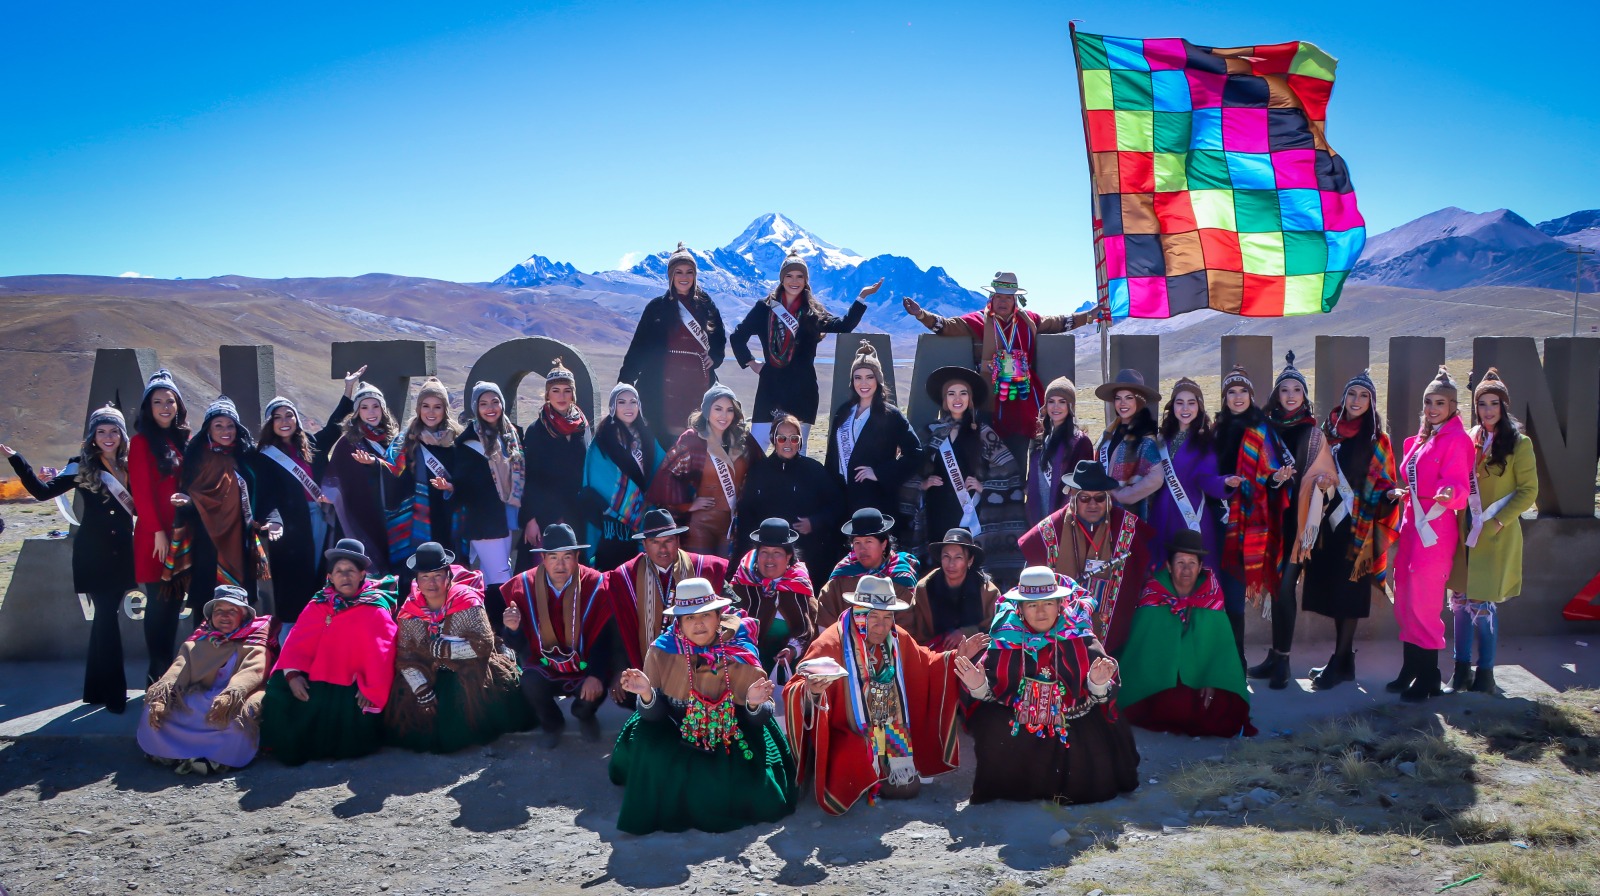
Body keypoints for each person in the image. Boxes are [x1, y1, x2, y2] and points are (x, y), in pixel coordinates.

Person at [782, 575, 987, 814]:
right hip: (849, 731)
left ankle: (878, 773)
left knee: (907, 788)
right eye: (874, 617)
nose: (882, 626)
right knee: (851, 764)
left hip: (889, 730)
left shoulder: (897, 637)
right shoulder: (830, 643)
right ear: (859, 614)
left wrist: (954, 657)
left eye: (887, 617)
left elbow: (926, 663)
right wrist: (812, 692)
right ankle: (860, 776)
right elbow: (795, 687)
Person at [609, 578, 796, 834]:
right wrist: (647, 695)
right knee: (652, 756)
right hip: (676, 726)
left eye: (705, 615)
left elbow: (760, 718)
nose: (698, 624)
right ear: (679, 622)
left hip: (732, 729)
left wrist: (753, 704)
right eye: (689, 618)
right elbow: (655, 715)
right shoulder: (662, 652)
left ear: (718, 617)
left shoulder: (740, 650)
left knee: (748, 788)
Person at [957, 566, 1139, 804]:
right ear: (1020, 609)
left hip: (1071, 718)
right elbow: (991, 695)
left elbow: (1103, 696)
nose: (1041, 612)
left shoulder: (1080, 637)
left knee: (1091, 763)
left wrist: (1097, 684)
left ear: (1060, 605)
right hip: (1020, 720)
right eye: (1032, 605)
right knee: (993, 727)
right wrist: (978, 686)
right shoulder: (1005, 640)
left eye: (1048, 603)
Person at [2, 406, 137, 712]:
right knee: (107, 618)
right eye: (101, 431)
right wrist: (18, 460)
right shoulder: (79, 466)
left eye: (113, 431)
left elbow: (139, 507)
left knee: (105, 618)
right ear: (92, 436)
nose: (108, 437)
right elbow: (42, 492)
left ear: (122, 435)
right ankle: (115, 694)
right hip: (93, 553)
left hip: (122, 552)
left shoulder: (129, 466)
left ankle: (94, 691)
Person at [902, 272, 1101, 451]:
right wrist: (921, 315)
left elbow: (1059, 322)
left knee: (1019, 451)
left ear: (1015, 299)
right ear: (992, 298)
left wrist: (1088, 316)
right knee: (986, 454)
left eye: (1008, 297)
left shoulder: (1029, 320)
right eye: (998, 296)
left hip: (1022, 400)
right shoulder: (978, 320)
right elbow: (947, 326)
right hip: (989, 400)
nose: (1002, 302)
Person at [1301, 370, 1400, 690]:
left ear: (1372, 402)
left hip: (1359, 530)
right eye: (1352, 394)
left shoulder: (1378, 440)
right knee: (1333, 593)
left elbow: (1385, 480)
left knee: (1349, 595)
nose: (1357, 401)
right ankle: (1345, 662)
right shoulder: (1327, 434)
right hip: (1327, 527)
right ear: (1344, 398)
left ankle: (1339, 660)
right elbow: (1311, 471)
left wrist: (1387, 494)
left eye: (1364, 396)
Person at [259, 539, 399, 765]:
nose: (345, 576)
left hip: (354, 683)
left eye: (351, 570)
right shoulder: (319, 604)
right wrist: (292, 675)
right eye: (339, 571)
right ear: (330, 577)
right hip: (319, 675)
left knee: (350, 736)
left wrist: (371, 688)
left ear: (362, 575)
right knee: (278, 691)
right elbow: (297, 642)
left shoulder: (375, 608)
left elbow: (383, 653)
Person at [385, 542, 530, 753]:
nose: (431, 582)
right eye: (425, 576)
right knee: (412, 709)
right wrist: (421, 689)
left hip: (469, 669)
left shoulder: (467, 601)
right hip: (429, 672)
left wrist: (444, 650)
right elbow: (406, 656)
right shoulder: (410, 610)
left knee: (463, 718)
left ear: (448, 576)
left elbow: (483, 645)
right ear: (417, 580)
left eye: (437, 575)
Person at [1246, 352, 1337, 690]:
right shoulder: (1264, 429)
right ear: (1276, 395)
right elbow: (1255, 470)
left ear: (1304, 395)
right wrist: (1273, 479)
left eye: (1296, 390)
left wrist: (1324, 482)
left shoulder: (1313, 434)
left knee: (1285, 588)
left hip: (1297, 524)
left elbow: (1328, 475)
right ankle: (1274, 656)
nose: (1290, 395)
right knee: (1273, 587)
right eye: (1284, 390)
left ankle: (1283, 660)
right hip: (1267, 519)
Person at [1446, 369, 1538, 695]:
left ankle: (1485, 674)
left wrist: (1499, 522)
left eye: (1494, 403)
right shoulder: (1470, 438)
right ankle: (1460, 671)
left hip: (1494, 534)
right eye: (1482, 404)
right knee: (1459, 601)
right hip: (1465, 532)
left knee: (1483, 604)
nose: (1487, 410)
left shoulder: (1520, 444)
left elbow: (1528, 491)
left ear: (1504, 405)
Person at [1388, 366, 1474, 702]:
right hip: (1412, 525)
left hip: (1435, 529)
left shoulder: (1457, 440)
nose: (1433, 408)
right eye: (1428, 402)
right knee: (1405, 600)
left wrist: (1447, 493)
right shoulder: (1424, 437)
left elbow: (1458, 485)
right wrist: (1405, 493)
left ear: (1453, 406)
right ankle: (1411, 668)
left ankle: (1429, 677)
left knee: (1424, 603)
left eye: (1440, 402)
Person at [732, 249, 877, 447]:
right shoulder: (764, 308)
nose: (794, 281)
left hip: (803, 391)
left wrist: (862, 297)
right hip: (770, 387)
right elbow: (737, 337)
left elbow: (844, 325)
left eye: (800, 276)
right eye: (789, 276)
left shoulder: (812, 312)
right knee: (757, 447)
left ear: (806, 280)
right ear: (782, 279)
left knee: (796, 449)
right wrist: (752, 363)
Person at [1118, 531, 1255, 737]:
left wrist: (1212, 679)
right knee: (1171, 707)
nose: (1186, 569)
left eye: (1192, 563)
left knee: (1225, 711)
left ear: (1200, 567)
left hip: (1201, 674)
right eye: (1180, 562)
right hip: (1160, 675)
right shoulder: (1154, 593)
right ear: (1169, 566)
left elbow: (1220, 647)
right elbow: (1143, 646)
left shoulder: (1211, 595)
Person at [1018, 460, 1153, 655]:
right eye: (1084, 498)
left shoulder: (1128, 529)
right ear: (1073, 497)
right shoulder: (1048, 532)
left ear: (1108, 499)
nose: (1092, 504)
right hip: (1057, 643)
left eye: (1099, 498)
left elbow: (1146, 578)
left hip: (1113, 638)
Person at [252, 386, 353, 645]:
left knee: (319, 575)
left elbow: (335, 426)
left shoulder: (311, 444)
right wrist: (273, 520)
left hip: (320, 519)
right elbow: (265, 495)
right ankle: (290, 643)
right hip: (290, 527)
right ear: (270, 423)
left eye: (289, 415)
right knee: (293, 581)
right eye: (277, 417)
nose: (284, 421)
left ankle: (320, 633)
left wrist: (348, 391)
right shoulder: (264, 457)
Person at [138, 585, 274, 774]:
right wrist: (162, 697)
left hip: (233, 698)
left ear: (243, 616)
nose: (224, 616)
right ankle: (169, 752)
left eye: (232, 611)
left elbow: (253, 672)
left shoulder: (255, 643)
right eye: (219, 611)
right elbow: (177, 670)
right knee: (156, 711)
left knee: (238, 719)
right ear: (211, 616)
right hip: (199, 696)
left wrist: (230, 696)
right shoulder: (196, 642)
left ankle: (219, 759)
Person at [501, 524, 613, 747]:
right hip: (544, 664)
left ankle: (584, 714)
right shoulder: (523, 586)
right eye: (553, 557)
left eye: (567, 557)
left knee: (597, 685)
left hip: (585, 665)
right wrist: (512, 629)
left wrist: (596, 675)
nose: (560, 565)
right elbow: (517, 645)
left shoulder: (597, 585)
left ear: (577, 557)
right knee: (529, 681)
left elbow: (606, 638)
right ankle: (552, 724)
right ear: (543, 558)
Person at [604, 508, 731, 699]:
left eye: (668, 541)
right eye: (655, 542)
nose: (662, 549)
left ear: (678, 541)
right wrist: (619, 670)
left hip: (700, 665)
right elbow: (619, 629)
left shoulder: (705, 568)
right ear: (644, 544)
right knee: (628, 693)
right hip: (647, 666)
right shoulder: (626, 576)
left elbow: (732, 612)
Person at [915, 365, 1026, 584]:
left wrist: (986, 488)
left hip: (970, 512)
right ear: (944, 400)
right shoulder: (929, 432)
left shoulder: (983, 432)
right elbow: (911, 469)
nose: (957, 399)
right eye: (951, 393)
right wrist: (923, 484)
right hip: (938, 510)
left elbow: (1009, 470)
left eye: (963, 393)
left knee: (968, 563)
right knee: (940, 564)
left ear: (970, 399)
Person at [617, 241, 727, 449]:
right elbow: (639, 347)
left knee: (697, 436)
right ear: (671, 275)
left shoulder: (706, 305)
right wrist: (625, 382)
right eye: (679, 272)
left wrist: (715, 357)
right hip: (661, 381)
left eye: (689, 272)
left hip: (698, 380)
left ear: (695, 275)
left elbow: (719, 338)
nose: (684, 277)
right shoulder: (656, 307)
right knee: (662, 437)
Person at [166, 396, 269, 613]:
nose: (225, 431)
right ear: (208, 428)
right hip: (206, 542)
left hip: (240, 540)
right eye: (218, 425)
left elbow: (262, 493)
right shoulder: (195, 457)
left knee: (241, 605)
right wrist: (188, 503)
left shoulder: (247, 456)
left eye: (230, 425)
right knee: (205, 603)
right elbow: (190, 493)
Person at [1213, 365, 1285, 668]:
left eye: (1243, 391)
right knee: (1214, 589)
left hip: (1247, 521)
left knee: (1234, 592)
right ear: (1225, 397)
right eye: (1232, 391)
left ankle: (1237, 660)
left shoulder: (1262, 429)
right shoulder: (1215, 429)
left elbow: (1272, 473)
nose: (1238, 396)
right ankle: (1217, 659)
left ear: (1252, 395)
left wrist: (1277, 478)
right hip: (1215, 518)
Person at [353, 377, 459, 578]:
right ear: (418, 408)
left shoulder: (456, 440)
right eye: (425, 406)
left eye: (437, 407)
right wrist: (375, 465)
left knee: (443, 571)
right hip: (413, 519)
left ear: (445, 409)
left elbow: (465, 479)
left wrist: (451, 488)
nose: (431, 412)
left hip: (445, 516)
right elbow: (392, 472)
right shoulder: (404, 441)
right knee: (413, 573)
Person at [129, 368, 192, 684]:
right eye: (158, 402)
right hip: (156, 537)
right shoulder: (141, 442)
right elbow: (141, 491)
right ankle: (156, 674)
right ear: (148, 408)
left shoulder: (182, 439)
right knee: (158, 603)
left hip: (181, 535)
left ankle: (169, 673)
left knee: (174, 604)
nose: (165, 407)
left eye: (170, 401)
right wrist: (157, 532)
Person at [824, 340, 921, 542]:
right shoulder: (843, 412)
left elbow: (915, 454)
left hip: (875, 499)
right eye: (858, 377)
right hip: (842, 498)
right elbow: (832, 456)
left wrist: (879, 473)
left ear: (878, 380)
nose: (864, 383)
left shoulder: (891, 415)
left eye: (870, 377)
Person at [648, 384, 759, 557]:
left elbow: (761, 471)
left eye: (729, 410)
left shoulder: (744, 439)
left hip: (732, 524)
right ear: (707, 410)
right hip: (700, 524)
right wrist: (687, 505)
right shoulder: (693, 439)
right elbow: (667, 476)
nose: (724, 416)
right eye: (718, 409)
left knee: (727, 571)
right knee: (701, 570)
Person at [737, 412, 844, 572]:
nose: (788, 443)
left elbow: (837, 505)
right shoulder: (758, 471)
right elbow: (746, 514)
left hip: (807, 553)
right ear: (773, 439)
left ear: (800, 441)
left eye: (794, 438)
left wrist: (815, 522)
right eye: (782, 438)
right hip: (767, 554)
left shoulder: (814, 470)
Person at [454, 381, 525, 621]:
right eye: (483, 403)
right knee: (501, 576)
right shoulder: (468, 443)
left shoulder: (512, 435)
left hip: (508, 513)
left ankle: (485, 626)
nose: (490, 408)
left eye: (495, 402)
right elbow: (464, 484)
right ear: (476, 408)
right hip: (484, 521)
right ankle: (502, 627)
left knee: (488, 573)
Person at [580, 383, 663, 571]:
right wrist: (629, 502)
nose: (628, 407)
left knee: (641, 573)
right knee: (614, 573)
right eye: (622, 402)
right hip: (612, 524)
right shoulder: (602, 441)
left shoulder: (648, 438)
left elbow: (662, 470)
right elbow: (596, 478)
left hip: (645, 518)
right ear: (613, 407)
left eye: (633, 402)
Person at [1146, 378, 1228, 569]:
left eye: (1191, 403)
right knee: (1160, 569)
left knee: (1191, 570)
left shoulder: (1205, 441)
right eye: (1179, 402)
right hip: (1161, 512)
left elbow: (1207, 479)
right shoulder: (1161, 438)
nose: (1185, 408)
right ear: (1172, 406)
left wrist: (1225, 483)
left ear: (1199, 407)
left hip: (1190, 513)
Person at [323, 380, 402, 576]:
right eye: (364, 407)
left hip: (392, 514)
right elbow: (336, 478)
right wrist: (330, 494)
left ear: (383, 409)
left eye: (375, 406)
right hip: (361, 514)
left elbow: (402, 474)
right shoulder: (348, 443)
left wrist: (376, 465)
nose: (371, 412)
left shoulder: (395, 441)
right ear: (357, 412)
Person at [817, 507, 925, 642]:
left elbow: (907, 626)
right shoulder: (842, 576)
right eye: (857, 543)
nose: (862, 549)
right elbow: (826, 619)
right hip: (845, 647)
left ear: (884, 544)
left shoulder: (900, 577)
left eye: (868, 541)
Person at [520, 359, 588, 570]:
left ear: (573, 394)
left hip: (575, 513)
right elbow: (529, 477)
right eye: (555, 390)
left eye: (567, 390)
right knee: (544, 571)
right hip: (544, 515)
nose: (561, 396)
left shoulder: (582, 428)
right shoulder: (537, 430)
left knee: (574, 570)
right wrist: (530, 519)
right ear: (547, 394)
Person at [728, 518, 818, 669]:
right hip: (745, 665)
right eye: (764, 552)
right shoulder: (741, 584)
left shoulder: (799, 586)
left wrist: (793, 650)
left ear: (788, 556)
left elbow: (811, 629)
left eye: (777, 553)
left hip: (792, 667)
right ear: (757, 555)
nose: (769, 559)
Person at [914, 528, 1002, 651]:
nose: (951, 564)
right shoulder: (924, 588)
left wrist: (966, 632)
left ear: (970, 560)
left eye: (958, 557)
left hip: (978, 655)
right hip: (936, 655)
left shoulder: (988, 592)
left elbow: (996, 630)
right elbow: (918, 635)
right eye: (946, 556)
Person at [1093, 369, 1163, 521]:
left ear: (1139, 401)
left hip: (1129, 515)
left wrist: (1124, 495)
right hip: (1103, 509)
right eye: (1118, 398)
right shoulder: (1110, 431)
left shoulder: (1144, 438)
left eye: (1129, 398)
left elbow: (1157, 477)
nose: (1122, 403)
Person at [1026, 376, 1093, 528]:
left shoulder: (1080, 442)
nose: (1056, 407)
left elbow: (1083, 486)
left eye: (1062, 402)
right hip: (1039, 516)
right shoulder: (1041, 440)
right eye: (1051, 401)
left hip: (1066, 519)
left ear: (1070, 406)